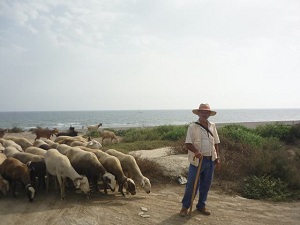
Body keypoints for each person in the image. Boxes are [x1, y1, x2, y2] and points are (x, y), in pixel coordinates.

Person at [179, 103, 220, 217]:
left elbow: (216, 143)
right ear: (199, 113)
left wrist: (217, 157)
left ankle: (201, 205)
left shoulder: (212, 125)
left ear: (209, 114)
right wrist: (196, 151)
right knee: (192, 185)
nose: (205, 114)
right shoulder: (193, 126)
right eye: (203, 112)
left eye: (207, 112)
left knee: (206, 185)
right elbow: (188, 143)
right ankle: (185, 207)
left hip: (210, 160)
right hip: (197, 161)